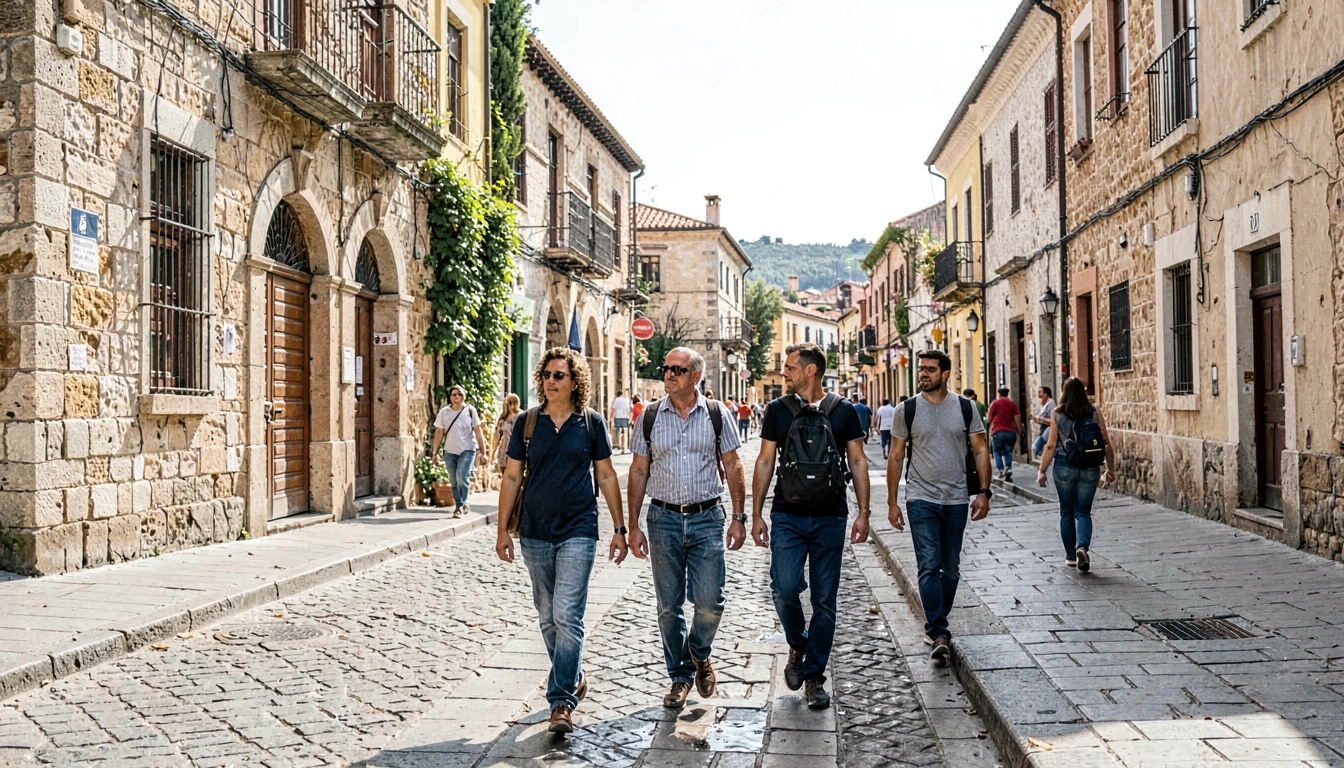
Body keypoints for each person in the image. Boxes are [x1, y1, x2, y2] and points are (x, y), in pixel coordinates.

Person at [495, 348, 629, 734]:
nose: (551, 381)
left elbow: (605, 476)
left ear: (575, 382)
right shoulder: (527, 422)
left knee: (568, 615)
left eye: (559, 375)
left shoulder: (591, 424)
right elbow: (511, 477)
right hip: (535, 532)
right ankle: (574, 674)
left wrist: (619, 528)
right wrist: (502, 529)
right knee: (548, 616)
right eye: (547, 375)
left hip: (579, 529)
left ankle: (560, 702)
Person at [752, 343, 870, 710]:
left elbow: (858, 460)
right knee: (784, 588)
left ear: (810, 371)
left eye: (790, 367)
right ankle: (799, 644)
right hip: (787, 513)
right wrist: (754, 513)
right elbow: (765, 460)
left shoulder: (844, 411)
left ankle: (815, 677)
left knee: (825, 600)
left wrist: (864, 511)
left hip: (830, 515)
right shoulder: (777, 410)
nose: (784, 372)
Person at [627, 348, 748, 709]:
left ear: (695, 376)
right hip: (662, 519)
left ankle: (699, 651)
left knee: (711, 602)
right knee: (668, 606)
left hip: (706, 517)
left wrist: (739, 517)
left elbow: (733, 463)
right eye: (666, 369)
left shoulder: (716, 414)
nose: (669, 375)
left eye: (677, 370)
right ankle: (679, 676)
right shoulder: (649, 416)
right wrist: (631, 525)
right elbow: (637, 471)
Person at [888, 351, 991, 665]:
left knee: (951, 568)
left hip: (957, 498)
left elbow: (980, 448)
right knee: (929, 565)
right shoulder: (906, 410)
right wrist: (892, 501)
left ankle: (935, 623)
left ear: (946, 374)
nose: (924, 374)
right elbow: (895, 456)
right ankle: (940, 631)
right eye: (922, 369)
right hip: (920, 498)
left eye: (930, 370)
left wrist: (984, 492)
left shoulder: (964, 407)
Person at [1037, 377, 1116, 573]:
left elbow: (1051, 444)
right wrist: (1110, 468)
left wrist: (1042, 471)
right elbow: (1105, 442)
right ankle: (1082, 546)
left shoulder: (1057, 413)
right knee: (1083, 512)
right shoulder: (1094, 411)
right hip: (1090, 466)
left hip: (1064, 465)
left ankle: (1071, 557)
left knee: (1066, 512)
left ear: (1064, 392)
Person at [431, 385, 488, 517]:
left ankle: (460, 506)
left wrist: (483, 452)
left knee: (462, 476)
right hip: (450, 451)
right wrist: (434, 452)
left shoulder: (470, 411)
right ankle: (461, 504)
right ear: (450, 397)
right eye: (454, 394)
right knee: (454, 480)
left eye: (459, 394)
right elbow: (439, 432)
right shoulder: (444, 412)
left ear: (464, 396)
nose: (457, 396)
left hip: (467, 449)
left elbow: (478, 433)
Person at [986, 387, 1022, 483]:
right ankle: (1008, 468)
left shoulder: (995, 404)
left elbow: (989, 419)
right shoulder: (1013, 405)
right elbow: (1018, 419)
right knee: (1008, 452)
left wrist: (987, 427)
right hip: (1011, 431)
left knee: (997, 452)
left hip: (997, 430)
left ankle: (1001, 471)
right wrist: (1019, 431)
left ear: (999, 394)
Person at [493, 393, 522, 475]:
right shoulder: (503, 417)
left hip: (517, 447)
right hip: (504, 448)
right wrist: (494, 450)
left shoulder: (522, 416)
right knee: (504, 472)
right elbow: (497, 434)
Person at [1031, 387, 1056, 459]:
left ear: (1046, 394)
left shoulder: (1051, 403)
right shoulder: (1045, 404)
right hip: (1044, 426)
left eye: (1040, 392)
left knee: (1042, 440)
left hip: (1048, 426)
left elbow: (1053, 418)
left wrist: (1042, 419)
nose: (1038, 394)